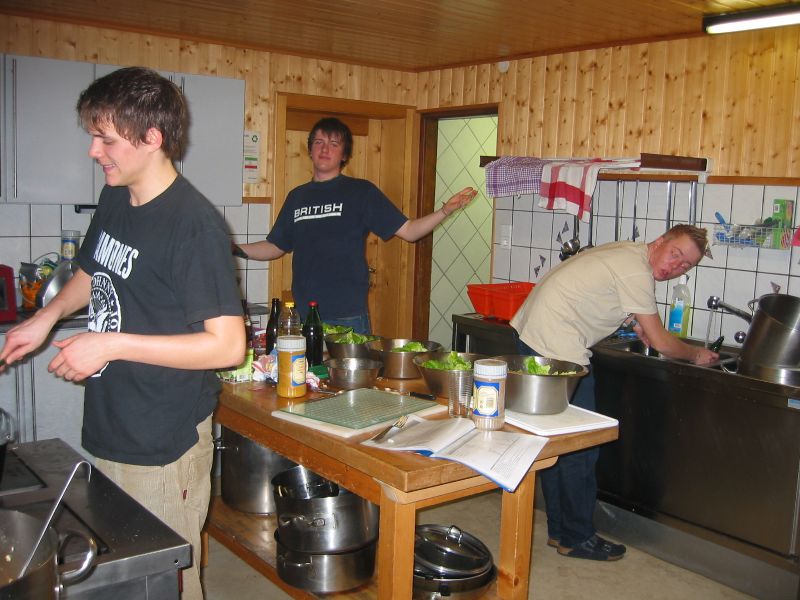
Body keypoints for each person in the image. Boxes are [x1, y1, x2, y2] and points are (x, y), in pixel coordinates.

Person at [0, 67, 245, 599]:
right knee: (127, 580)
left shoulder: (193, 225)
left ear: (151, 138)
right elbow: (92, 272)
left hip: (163, 442)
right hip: (113, 422)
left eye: (106, 139)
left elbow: (228, 346)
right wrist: (45, 317)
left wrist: (109, 344)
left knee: (164, 584)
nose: (94, 151)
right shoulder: (118, 196)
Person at [510, 224, 718, 561]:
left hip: (534, 336)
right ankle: (577, 537)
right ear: (660, 242)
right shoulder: (637, 270)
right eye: (675, 254)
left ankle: (561, 531)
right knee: (581, 446)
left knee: (558, 442)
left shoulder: (630, 252)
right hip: (557, 347)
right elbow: (662, 342)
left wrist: (636, 324)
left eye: (686, 265)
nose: (676, 266)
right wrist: (696, 354)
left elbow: (612, 297)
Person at [235, 117, 477, 333]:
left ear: (344, 155)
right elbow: (275, 246)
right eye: (318, 142)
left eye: (334, 143)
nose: (325, 149)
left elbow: (410, 231)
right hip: (305, 316)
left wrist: (445, 211)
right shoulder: (296, 197)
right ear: (310, 150)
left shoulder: (361, 192)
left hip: (347, 317)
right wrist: (232, 249)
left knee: (349, 374)